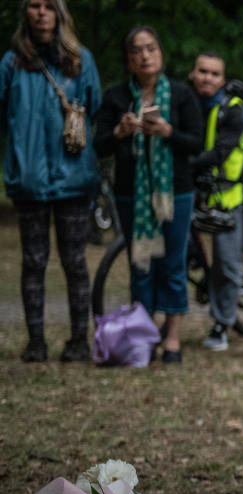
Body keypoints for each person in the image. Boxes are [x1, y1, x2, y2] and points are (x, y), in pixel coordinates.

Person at [94, 26, 203, 364]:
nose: (145, 56)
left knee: (172, 262)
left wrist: (168, 131)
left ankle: (172, 338)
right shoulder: (116, 96)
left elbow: (197, 142)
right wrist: (120, 131)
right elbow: (99, 145)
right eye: (138, 51)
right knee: (141, 263)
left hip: (176, 192)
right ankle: (144, 334)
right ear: (129, 59)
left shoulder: (182, 95)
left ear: (160, 53)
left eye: (151, 48)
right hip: (130, 193)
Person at [1, 0, 101, 363]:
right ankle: (36, 341)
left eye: (47, 5)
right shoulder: (11, 63)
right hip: (29, 181)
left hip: (73, 178)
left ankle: (78, 340)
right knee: (33, 260)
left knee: (74, 260)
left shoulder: (80, 60)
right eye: (32, 5)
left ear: (59, 12)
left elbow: (95, 106)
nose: (40, 12)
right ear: (24, 12)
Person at [188, 51, 243, 352]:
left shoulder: (232, 109)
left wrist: (183, 161)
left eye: (214, 74)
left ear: (223, 79)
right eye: (202, 71)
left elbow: (220, 152)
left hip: (228, 197)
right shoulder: (183, 101)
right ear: (193, 73)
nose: (207, 78)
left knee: (227, 265)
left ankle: (222, 324)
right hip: (197, 193)